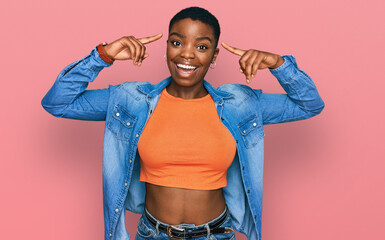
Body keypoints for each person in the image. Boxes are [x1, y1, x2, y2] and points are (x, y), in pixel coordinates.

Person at [41, 6, 324, 240]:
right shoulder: (132, 100)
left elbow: (309, 104)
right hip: (153, 233)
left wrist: (278, 64)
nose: (187, 54)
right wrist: (102, 56)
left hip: (215, 234)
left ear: (213, 56)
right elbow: (58, 102)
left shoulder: (241, 103)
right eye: (177, 42)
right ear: (166, 48)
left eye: (201, 46)